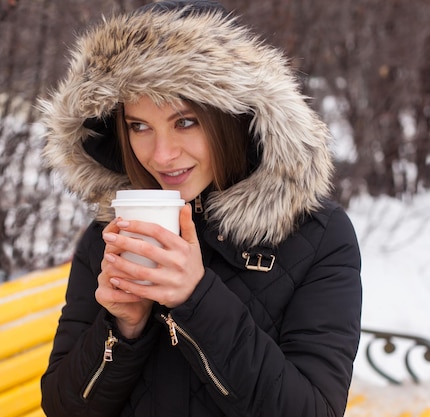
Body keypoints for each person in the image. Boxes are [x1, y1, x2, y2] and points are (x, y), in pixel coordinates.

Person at [39, 1, 362, 416]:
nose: (162, 154)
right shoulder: (110, 236)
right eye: (139, 126)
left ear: (233, 117)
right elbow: (63, 408)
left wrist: (196, 298)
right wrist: (123, 328)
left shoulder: (318, 237)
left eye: (185, 121)